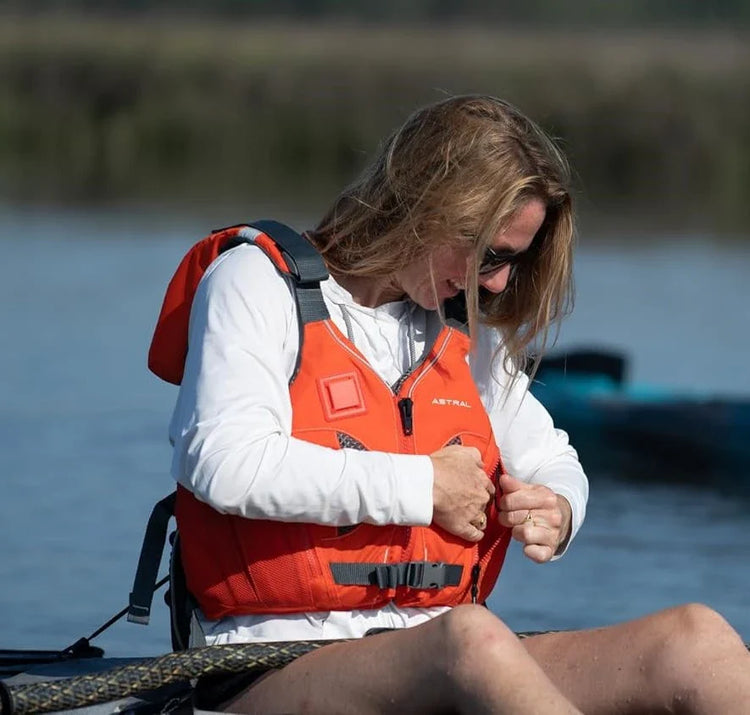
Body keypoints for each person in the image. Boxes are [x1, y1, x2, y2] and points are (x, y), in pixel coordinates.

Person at [161, 95, 750, 714]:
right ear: (425, 204)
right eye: (490, 255)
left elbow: (554, 457)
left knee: (695, 639)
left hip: (445, 656)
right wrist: (423, 486)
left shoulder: (463, 332)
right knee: (469, 638)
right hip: (270, 666)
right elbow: (221, 460)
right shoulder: (255, 282)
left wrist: (558, 508)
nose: (495, 284)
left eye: (512, 263)